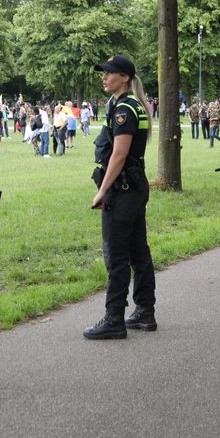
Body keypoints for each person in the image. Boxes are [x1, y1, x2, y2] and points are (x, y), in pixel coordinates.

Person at [84, 55, 157, 339]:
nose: (104, 77)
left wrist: (102, 191)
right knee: (138, 251)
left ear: (124, 77)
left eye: (109, 73)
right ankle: (144, 312)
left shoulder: (125, 107)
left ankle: (114, 317)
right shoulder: (127, 104)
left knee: (116, 254)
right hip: (134, 188)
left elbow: (119, 154)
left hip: (123, 190)